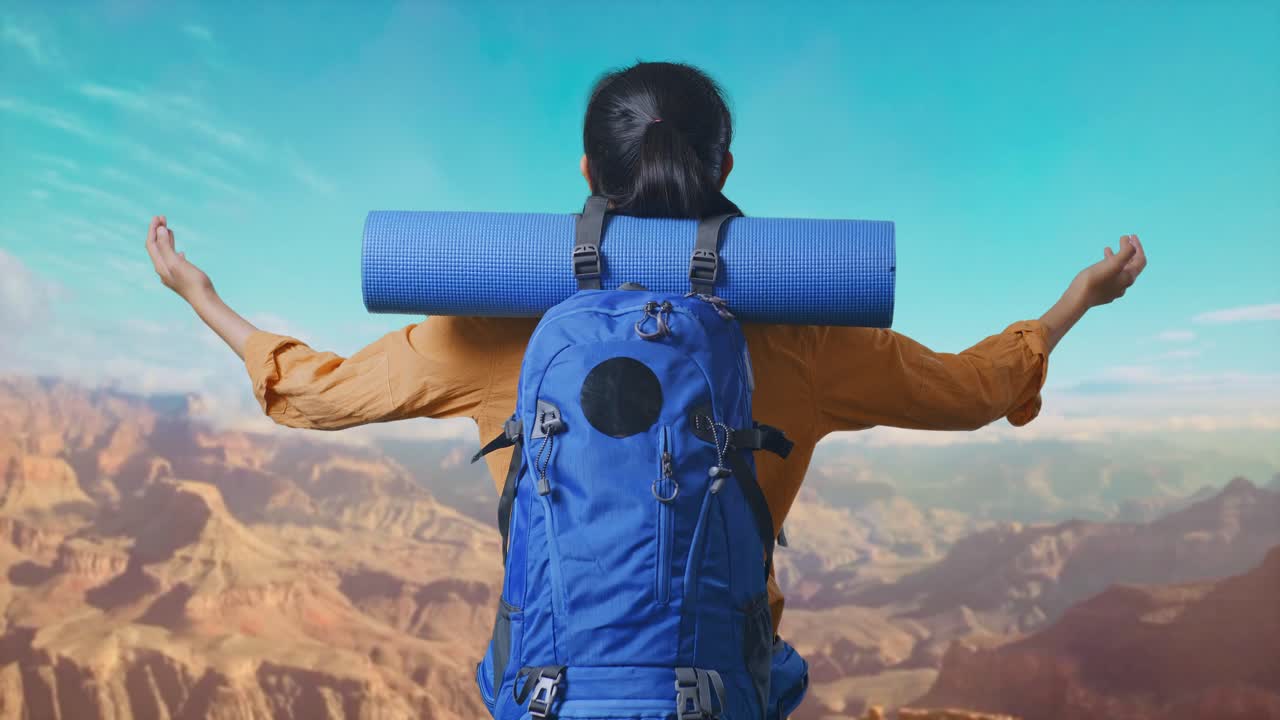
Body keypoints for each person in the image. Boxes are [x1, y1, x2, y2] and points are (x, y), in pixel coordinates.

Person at [143, 60, 1146, 644]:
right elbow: (973, 391)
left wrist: (203, 298)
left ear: (587, 170)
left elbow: (317, 395)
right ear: (725, 165)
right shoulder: (804, 338)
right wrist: (1076, 302)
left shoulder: (494, 332)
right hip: (724, 678)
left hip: (556, 676)